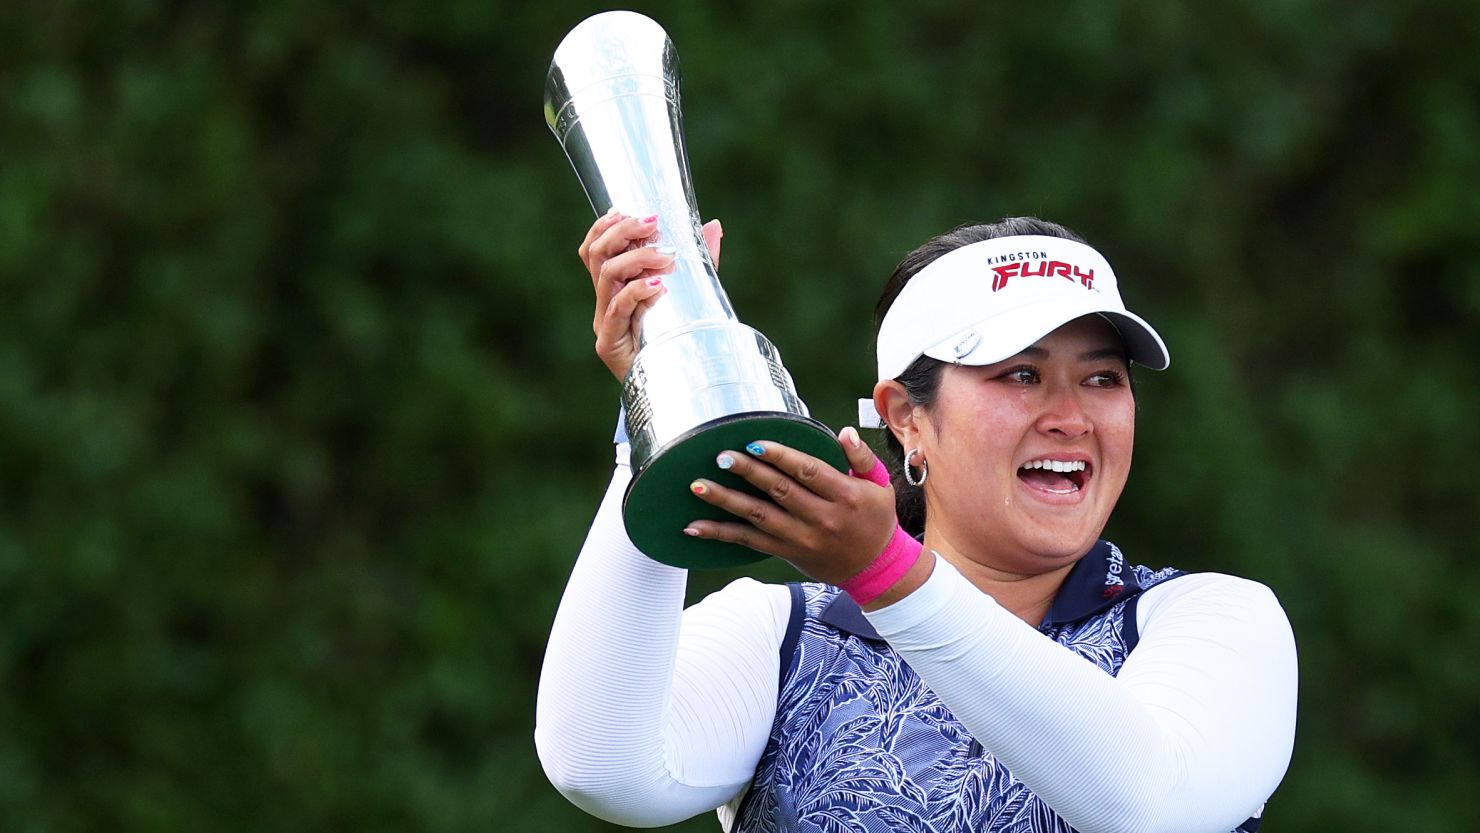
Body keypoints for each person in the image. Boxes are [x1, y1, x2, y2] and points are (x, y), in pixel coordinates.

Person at [535, 213, 1298, 833]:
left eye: (1102, 377)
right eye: (1021, 375)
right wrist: (660, 405)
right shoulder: (780, 633)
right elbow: (599, 765)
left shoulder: (1213, 620)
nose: (1071, 416)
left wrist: (886, 572)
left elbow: (1146, 804)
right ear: (906, 418)